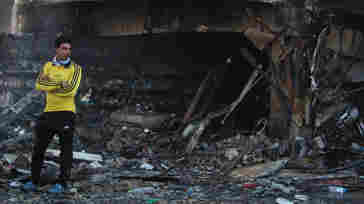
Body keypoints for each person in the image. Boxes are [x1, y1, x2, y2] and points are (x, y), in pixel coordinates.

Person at [23, 35, 82, 193]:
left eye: (69, 49)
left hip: (66, 113)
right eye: (64, 48)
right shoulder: (48, 66)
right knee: (38, 149)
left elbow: (71, 91)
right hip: (48, 112)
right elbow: (39, 84)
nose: (67, 51)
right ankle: (34, 181)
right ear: (57, 49)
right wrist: (59, 83)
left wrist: (51, 85)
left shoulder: (76, 69)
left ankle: (62, 184)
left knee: (66, 151)